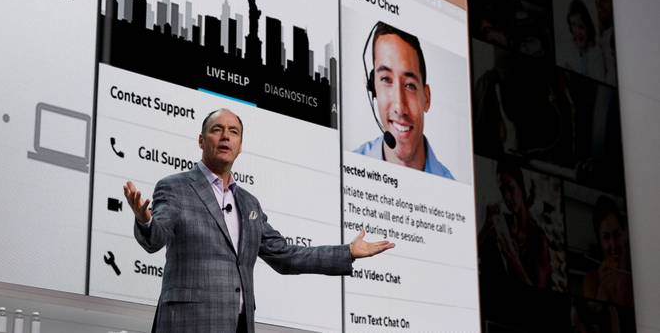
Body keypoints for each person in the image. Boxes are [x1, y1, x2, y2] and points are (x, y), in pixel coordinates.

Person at [124, 108, 393, 333]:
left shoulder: (249, 203)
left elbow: (286, 256)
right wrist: (145, 219)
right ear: (201, 140)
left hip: (240, 324)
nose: (225, 137)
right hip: (188, 322)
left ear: (240, 146)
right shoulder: (176, 187)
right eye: (217, 129)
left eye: (234, 132)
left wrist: (347, 252)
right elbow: (155, 237)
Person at [353, 22, 453, 179]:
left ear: (426, 98)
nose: (399, 107)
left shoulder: (452, 190)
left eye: (410, 86)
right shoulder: (349, 167)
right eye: (386, 79)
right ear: (373, 89)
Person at [478, 160, 551, 289]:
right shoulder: (503, 223)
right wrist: (485, 226)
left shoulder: (539, 239)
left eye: (510, 188)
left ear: (521, 187)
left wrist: (514, 260)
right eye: (502, 190)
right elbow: (472, 254)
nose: (506, 197)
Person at [583, 196, 633, 306]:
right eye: (606, 237)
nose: (613, 245)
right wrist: (603, 289)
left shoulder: (636, 270)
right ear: (600, 241)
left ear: (624, 234)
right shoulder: (592, 279)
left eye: (617, 235)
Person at [565, 0, 604, 80]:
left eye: (581, 26)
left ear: (588, 28)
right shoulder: (571, 51)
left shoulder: (596, 54)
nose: (576, 31)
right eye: (573, 25)